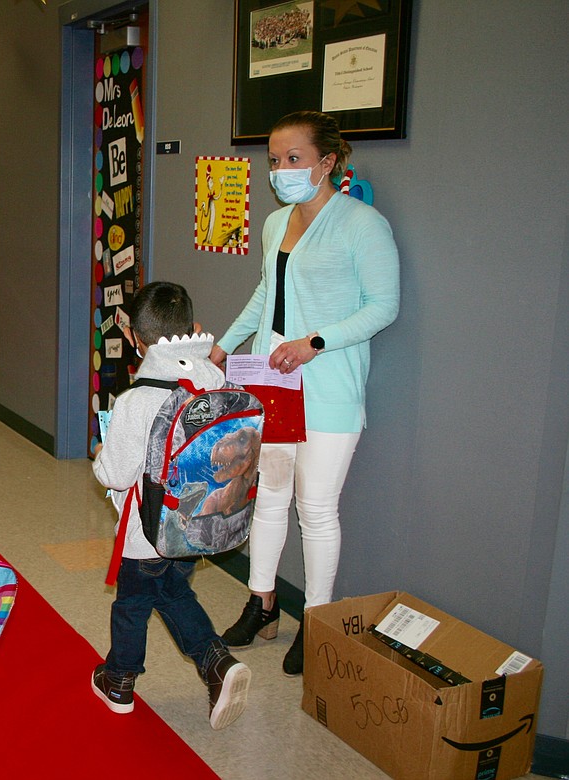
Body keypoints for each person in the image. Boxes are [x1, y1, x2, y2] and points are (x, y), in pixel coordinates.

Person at [210, 110, 400, 675]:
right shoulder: (276, 224)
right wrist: (223, 346)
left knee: (316, 508)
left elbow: (383, 306)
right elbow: (265, 292)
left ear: (327, 162)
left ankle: (315, 623)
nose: (282, 170)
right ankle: (262, 603)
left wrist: (316, 342)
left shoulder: (362, 224)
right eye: (275, 160)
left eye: (294, 158)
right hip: (272, 384)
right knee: (268, 498)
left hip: (328, 388)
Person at [91, 281, 251, 731]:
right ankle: (216, 663)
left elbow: (115, 474)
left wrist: (100, 456)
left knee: (132, 604)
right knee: (173, 592)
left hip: (147, 533)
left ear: (134, 338)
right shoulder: (216, 380)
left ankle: (121, 680)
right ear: (192, 327)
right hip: (199, 523)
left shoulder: (136, 400)